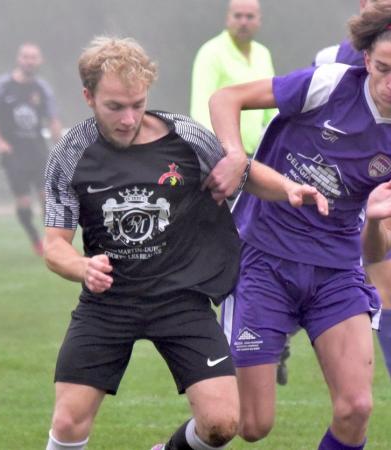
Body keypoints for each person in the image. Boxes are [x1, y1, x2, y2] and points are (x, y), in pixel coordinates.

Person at [41, 36, 330, 450]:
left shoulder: (186, 139)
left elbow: (240, 171)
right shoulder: (70, 153)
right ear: (88, 97)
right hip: (109, 305)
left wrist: (289, 189)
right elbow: (54, 246)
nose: (128, 118)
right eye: (115, 107)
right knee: (69, 422)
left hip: (181, 298)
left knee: (221, 424)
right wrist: (82, 268)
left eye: (137, 104)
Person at [208, 0, 391, 447]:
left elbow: (374, 252)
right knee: (250, 426)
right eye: (382, 69)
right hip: (262, 260)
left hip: (337, 272)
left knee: (356, 408)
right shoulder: (329, 85)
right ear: (366, 60)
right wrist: (234, 155)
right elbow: (227, 98)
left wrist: (375, 219)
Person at [0, 42, 62, 256]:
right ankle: (35, 239)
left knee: (47, 196)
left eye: (34, 57)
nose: (29, 61)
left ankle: (51, 241)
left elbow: (53, 119)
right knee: (24, 201)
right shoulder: (2, 85)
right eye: (26, 57)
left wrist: (60, 146)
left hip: (37, 149)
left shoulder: (42, 89)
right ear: (19, 59)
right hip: (13, 152)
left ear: (40, 61)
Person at [190, 0, 276, 156]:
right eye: (238, 16)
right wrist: (217, 151)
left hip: (255, 155)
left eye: (250, 16)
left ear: (259, 20)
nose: (243, 22)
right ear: (228, 18)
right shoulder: (211, 52)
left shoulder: (263, 54)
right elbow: (201, 109)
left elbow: (271, 107)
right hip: (221, 155)